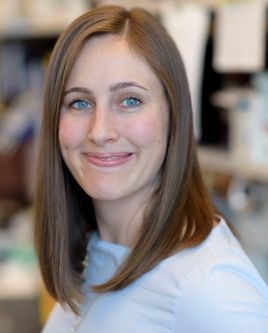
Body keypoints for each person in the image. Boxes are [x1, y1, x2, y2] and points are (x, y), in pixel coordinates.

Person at [34, 5, 268, 333]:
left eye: (130, 100)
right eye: (79, 103)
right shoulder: (95, 259)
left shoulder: (206, 288)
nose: (100, 131)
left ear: (174, 115)